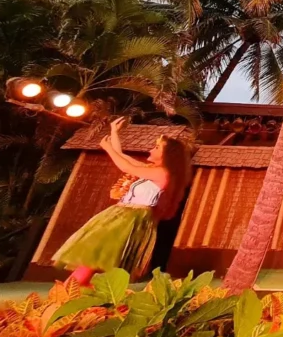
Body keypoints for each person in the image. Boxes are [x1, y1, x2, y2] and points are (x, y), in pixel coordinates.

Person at [54, 117, 191, 286]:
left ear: (166, 154)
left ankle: (70, 289)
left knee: (96, 252)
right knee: (95, 253)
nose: (151, 149)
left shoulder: (163, 173)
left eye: (156, 147)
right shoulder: (151, 170)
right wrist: (114, 132)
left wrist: (106, 147)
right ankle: (76, 289)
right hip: (122, 214)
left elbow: (126, 167)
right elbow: (122, 157)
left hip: (131, 218)